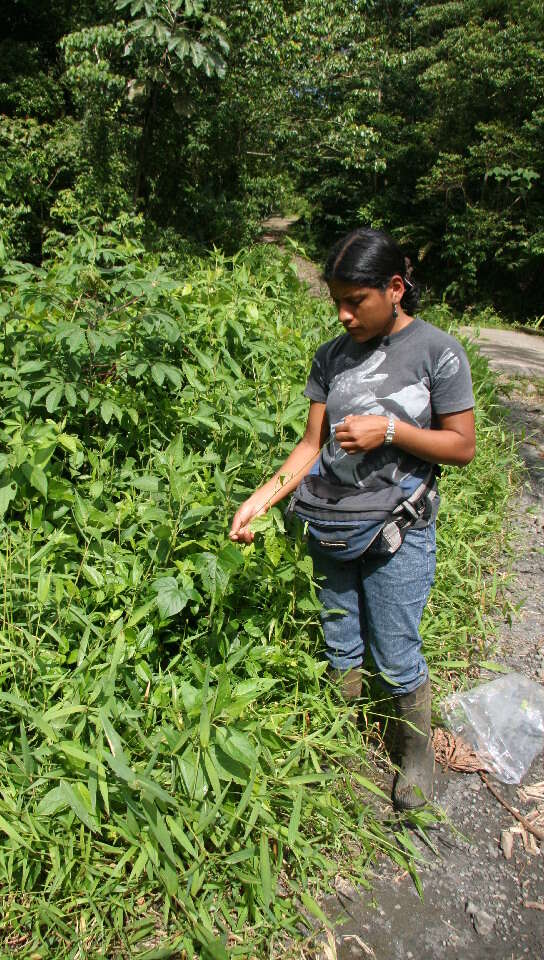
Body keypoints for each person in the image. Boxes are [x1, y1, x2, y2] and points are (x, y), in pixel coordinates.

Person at [229, 228, 475, 810]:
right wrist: (261, 499)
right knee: (340, 641)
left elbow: (462, 446)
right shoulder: (331, 358)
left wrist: (391, 430)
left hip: (399, 529)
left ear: (394, 288)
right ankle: (339, 740)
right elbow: (310, 445)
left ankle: (416, 753)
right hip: (330, 521)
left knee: (395, 648)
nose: (342, 315)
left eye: (354, 300)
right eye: (335, 300)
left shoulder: (438, 351)